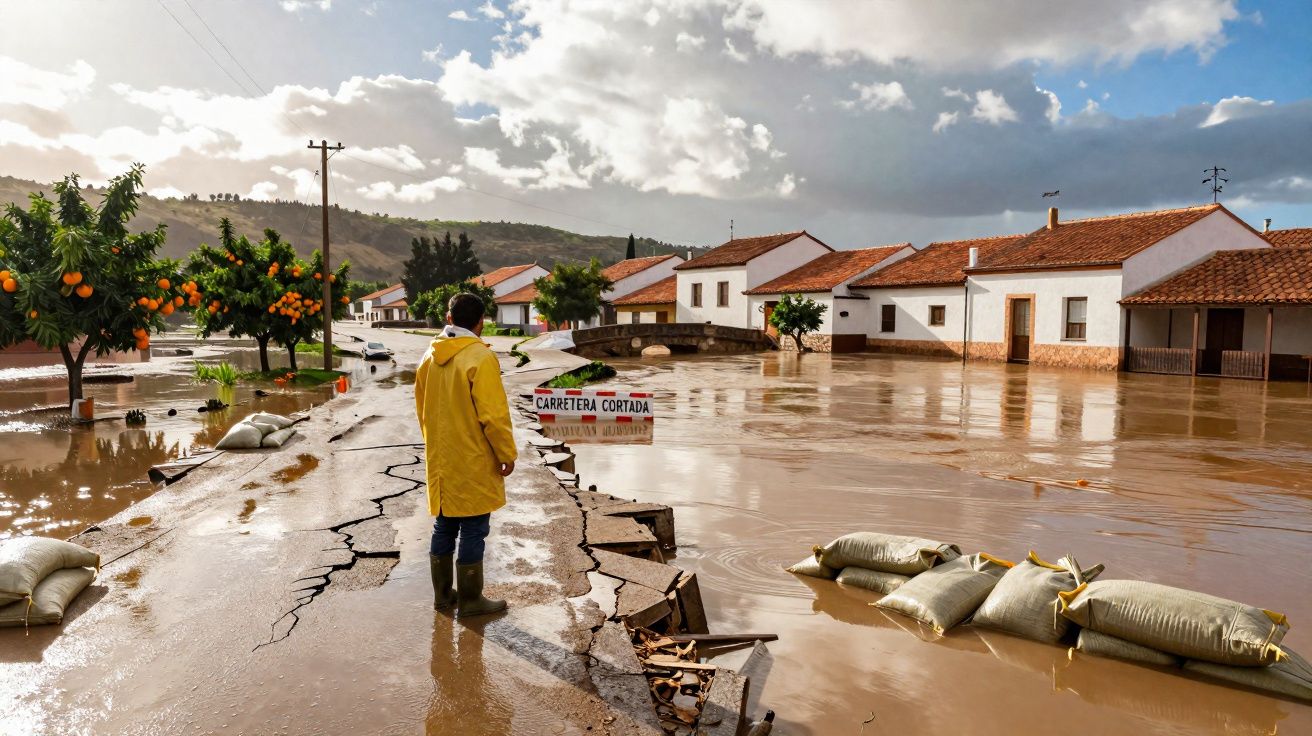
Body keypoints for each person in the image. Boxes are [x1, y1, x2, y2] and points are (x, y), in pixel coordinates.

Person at [414, 292, 516, 618]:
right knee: (474, 526)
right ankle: (471, 600)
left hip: (441, 457)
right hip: (472, 457)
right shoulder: (480, 358)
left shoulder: (429, 356)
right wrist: (506, 453)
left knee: (444, 524)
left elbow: (422, 408)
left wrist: (434, 444)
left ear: (449, 319)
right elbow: (493, 416)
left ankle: (443, 595)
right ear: (481, 322)